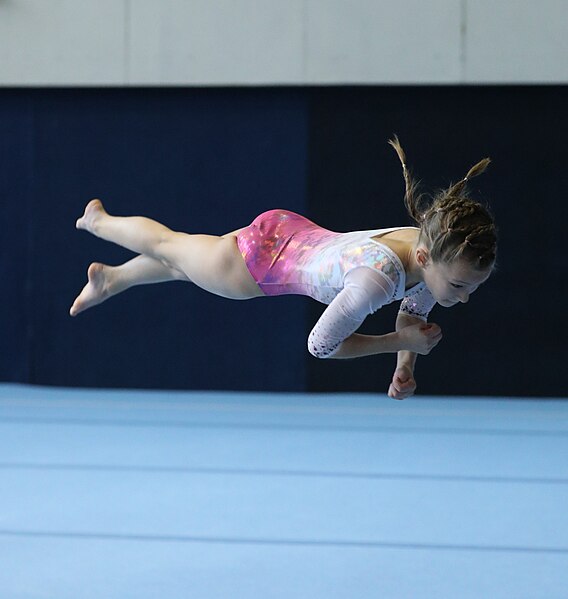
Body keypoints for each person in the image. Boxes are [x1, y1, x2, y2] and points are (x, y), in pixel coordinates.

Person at [70, 137, 497, 399]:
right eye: (460, 285)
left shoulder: (425, 240)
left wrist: (404, 363)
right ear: (427, 259)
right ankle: (99, 222)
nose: (463, 297)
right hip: (256, 266)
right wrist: (394, 342)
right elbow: (321, 345)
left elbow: (415, 312)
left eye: (473, 288)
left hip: (289, 233)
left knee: (181, 266)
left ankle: (111, 278)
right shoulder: (375, 282)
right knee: (171, 245)